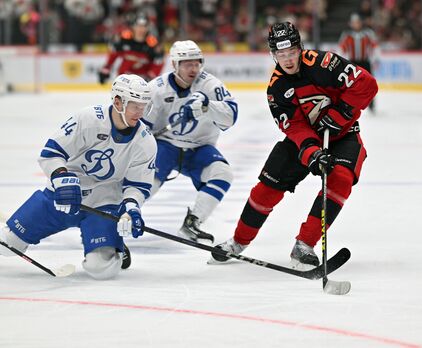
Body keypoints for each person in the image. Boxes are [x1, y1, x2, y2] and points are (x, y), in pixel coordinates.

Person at [210, 22, 378, 269]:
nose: (287, 60)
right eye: (280, 54)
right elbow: (295, 128)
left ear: (299, 48)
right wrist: (312, 153)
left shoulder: (326, 64)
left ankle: (305, 245)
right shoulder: (276, 88)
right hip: (306, 141)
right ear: (273, 54)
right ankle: (238, 241)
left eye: (291, 53)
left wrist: (341, 113)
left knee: (340, 179)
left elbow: (367, 84)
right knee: (266, 188)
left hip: (342, 136)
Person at [0, 74, 157, 280]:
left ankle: (116, 247)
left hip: (103, 205)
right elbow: (51, 153)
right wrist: (62, 178)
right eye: (135, 105)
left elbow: (138, 185)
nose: (141, 111)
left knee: (101, 270)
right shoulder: (88, 119)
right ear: (118, 102)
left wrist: (131, 208)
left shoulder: (145, 141)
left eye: (144, 105)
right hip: (60, 199)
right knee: (8, 245)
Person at [142, 40, 238, 243]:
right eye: (187, 64)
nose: (193, 68)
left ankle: (192, 222)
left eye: (196, 63)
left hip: (199, 148)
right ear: (175, 65)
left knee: (223, 174)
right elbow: (142, 127)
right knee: (146, 182)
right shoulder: (157, 89)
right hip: (166, 146)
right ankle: (121, 214)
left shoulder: (211, 85)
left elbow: (230, 117)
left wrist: (207, 106)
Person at [98, 15, 164, 84]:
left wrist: (151, 77)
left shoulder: (153, 43)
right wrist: (106, 69)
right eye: (138, 26)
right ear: (133, 26)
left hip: (143, 80)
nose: (141, 29)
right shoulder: (123, 38)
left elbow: (158, 62)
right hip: (124, 78)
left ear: (147, 28)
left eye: (144, 26)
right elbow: (114, 54)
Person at [338, 13, 380, 113]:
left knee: (369, 84)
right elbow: (341, 49)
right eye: (353, 22)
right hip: (353, 63)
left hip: (365, 62)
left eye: (357, 22)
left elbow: (375, 46)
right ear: (350, 24)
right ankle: (350, 105)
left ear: (361, 23)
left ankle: (371, 104)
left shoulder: (368, 33)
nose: (355, 24)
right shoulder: (346, 35)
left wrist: (376, 59)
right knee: (351, 85)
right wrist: (341, 61)